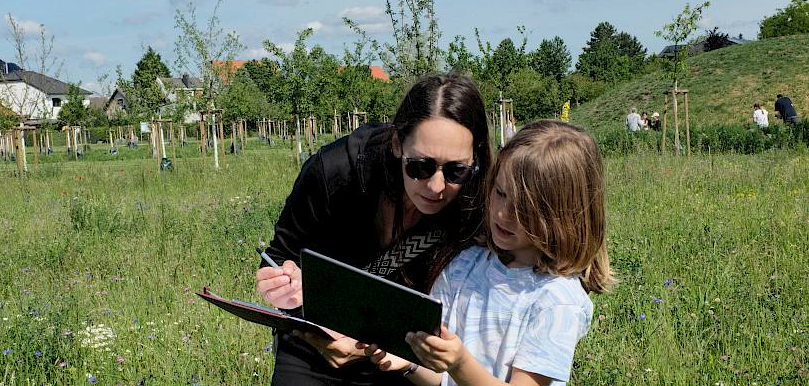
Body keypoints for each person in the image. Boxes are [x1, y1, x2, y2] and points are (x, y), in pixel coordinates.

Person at [255, 74, 493, 385]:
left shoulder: (479, 202)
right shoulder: (336, 173)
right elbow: (280, 256)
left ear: (475, 159)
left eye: (456, 170)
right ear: (397, 144)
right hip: (315, 347)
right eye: (420, 166)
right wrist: (282, 288)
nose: (436, 187)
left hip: (404, 361)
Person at [364, 120, 614, 386]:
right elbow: (440, 378)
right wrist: (411, 363)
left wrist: (460, 364)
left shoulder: (557, 301)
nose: (503, 214)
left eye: (523, 209)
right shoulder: (467, 262)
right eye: (500, 192)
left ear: (561, 216)